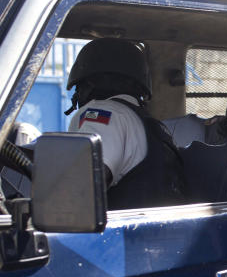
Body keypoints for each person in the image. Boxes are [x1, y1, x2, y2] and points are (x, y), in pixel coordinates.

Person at [66, 38, 185, 210]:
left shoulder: (105, 114)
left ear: (87, 84)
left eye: (78, 88)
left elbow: (82, 187)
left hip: (122, 235)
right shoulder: (150, 126)